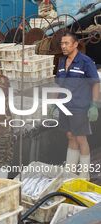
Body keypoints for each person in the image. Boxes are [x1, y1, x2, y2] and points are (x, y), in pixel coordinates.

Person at [56, 32, 100, 180]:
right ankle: (70, 172)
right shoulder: (62, 62)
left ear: (75, 44)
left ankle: (84, 175)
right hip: (65, 106)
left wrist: (94, 104)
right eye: (62, 43)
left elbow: (95, 83)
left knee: (81, 138)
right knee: (70, 136)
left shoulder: (86, 62)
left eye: (66, 43)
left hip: (80, 106)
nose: (63, 46)